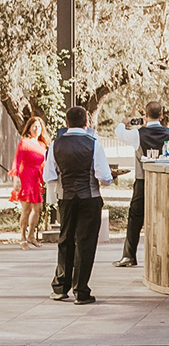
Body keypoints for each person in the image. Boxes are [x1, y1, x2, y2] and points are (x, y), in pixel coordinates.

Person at [44, 106, 113, 304]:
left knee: (65, 239)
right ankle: (81, 291)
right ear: (86, 123)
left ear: (66, 123)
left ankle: (60, 287)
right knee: (85, 242)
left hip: (65, 197)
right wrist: (108, 181)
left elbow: (49, 176)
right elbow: (103, 176)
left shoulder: (56, 144)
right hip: (89, 197)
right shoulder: (93, 144)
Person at [112, 101, 169, 268]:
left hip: (142, 180)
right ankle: (163, 255)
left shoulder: (137, 134)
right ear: (161, 115)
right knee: (163, 217)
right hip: (163, 181)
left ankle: (129, 256)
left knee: (135, 217)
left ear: (145, 116)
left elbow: (118, 132)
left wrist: (125, 122)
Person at [9, 117, 50, 249]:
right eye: (34, 126)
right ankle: (22, 238)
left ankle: (31, 236)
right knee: (26, 209)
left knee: (38, 209)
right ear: (29, 128)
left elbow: (44, 164)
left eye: (38, 127)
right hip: (25, 176)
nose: (36, 129)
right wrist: (16, 179)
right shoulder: (24, 143)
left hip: (36, 179)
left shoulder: (42, 145)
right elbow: (17, 160)